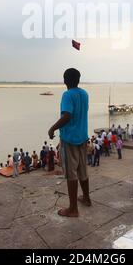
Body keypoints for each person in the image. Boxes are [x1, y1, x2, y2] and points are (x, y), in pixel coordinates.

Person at [48, 68, 90, 218]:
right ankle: (86, 198)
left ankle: (73, 208)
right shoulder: (84, 94)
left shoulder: (67, 95)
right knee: (82, 170)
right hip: (83, 137)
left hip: (70, 139)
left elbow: (67, 115)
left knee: (71, 173)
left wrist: (52, 128)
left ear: (65, 80)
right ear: (78, 80)